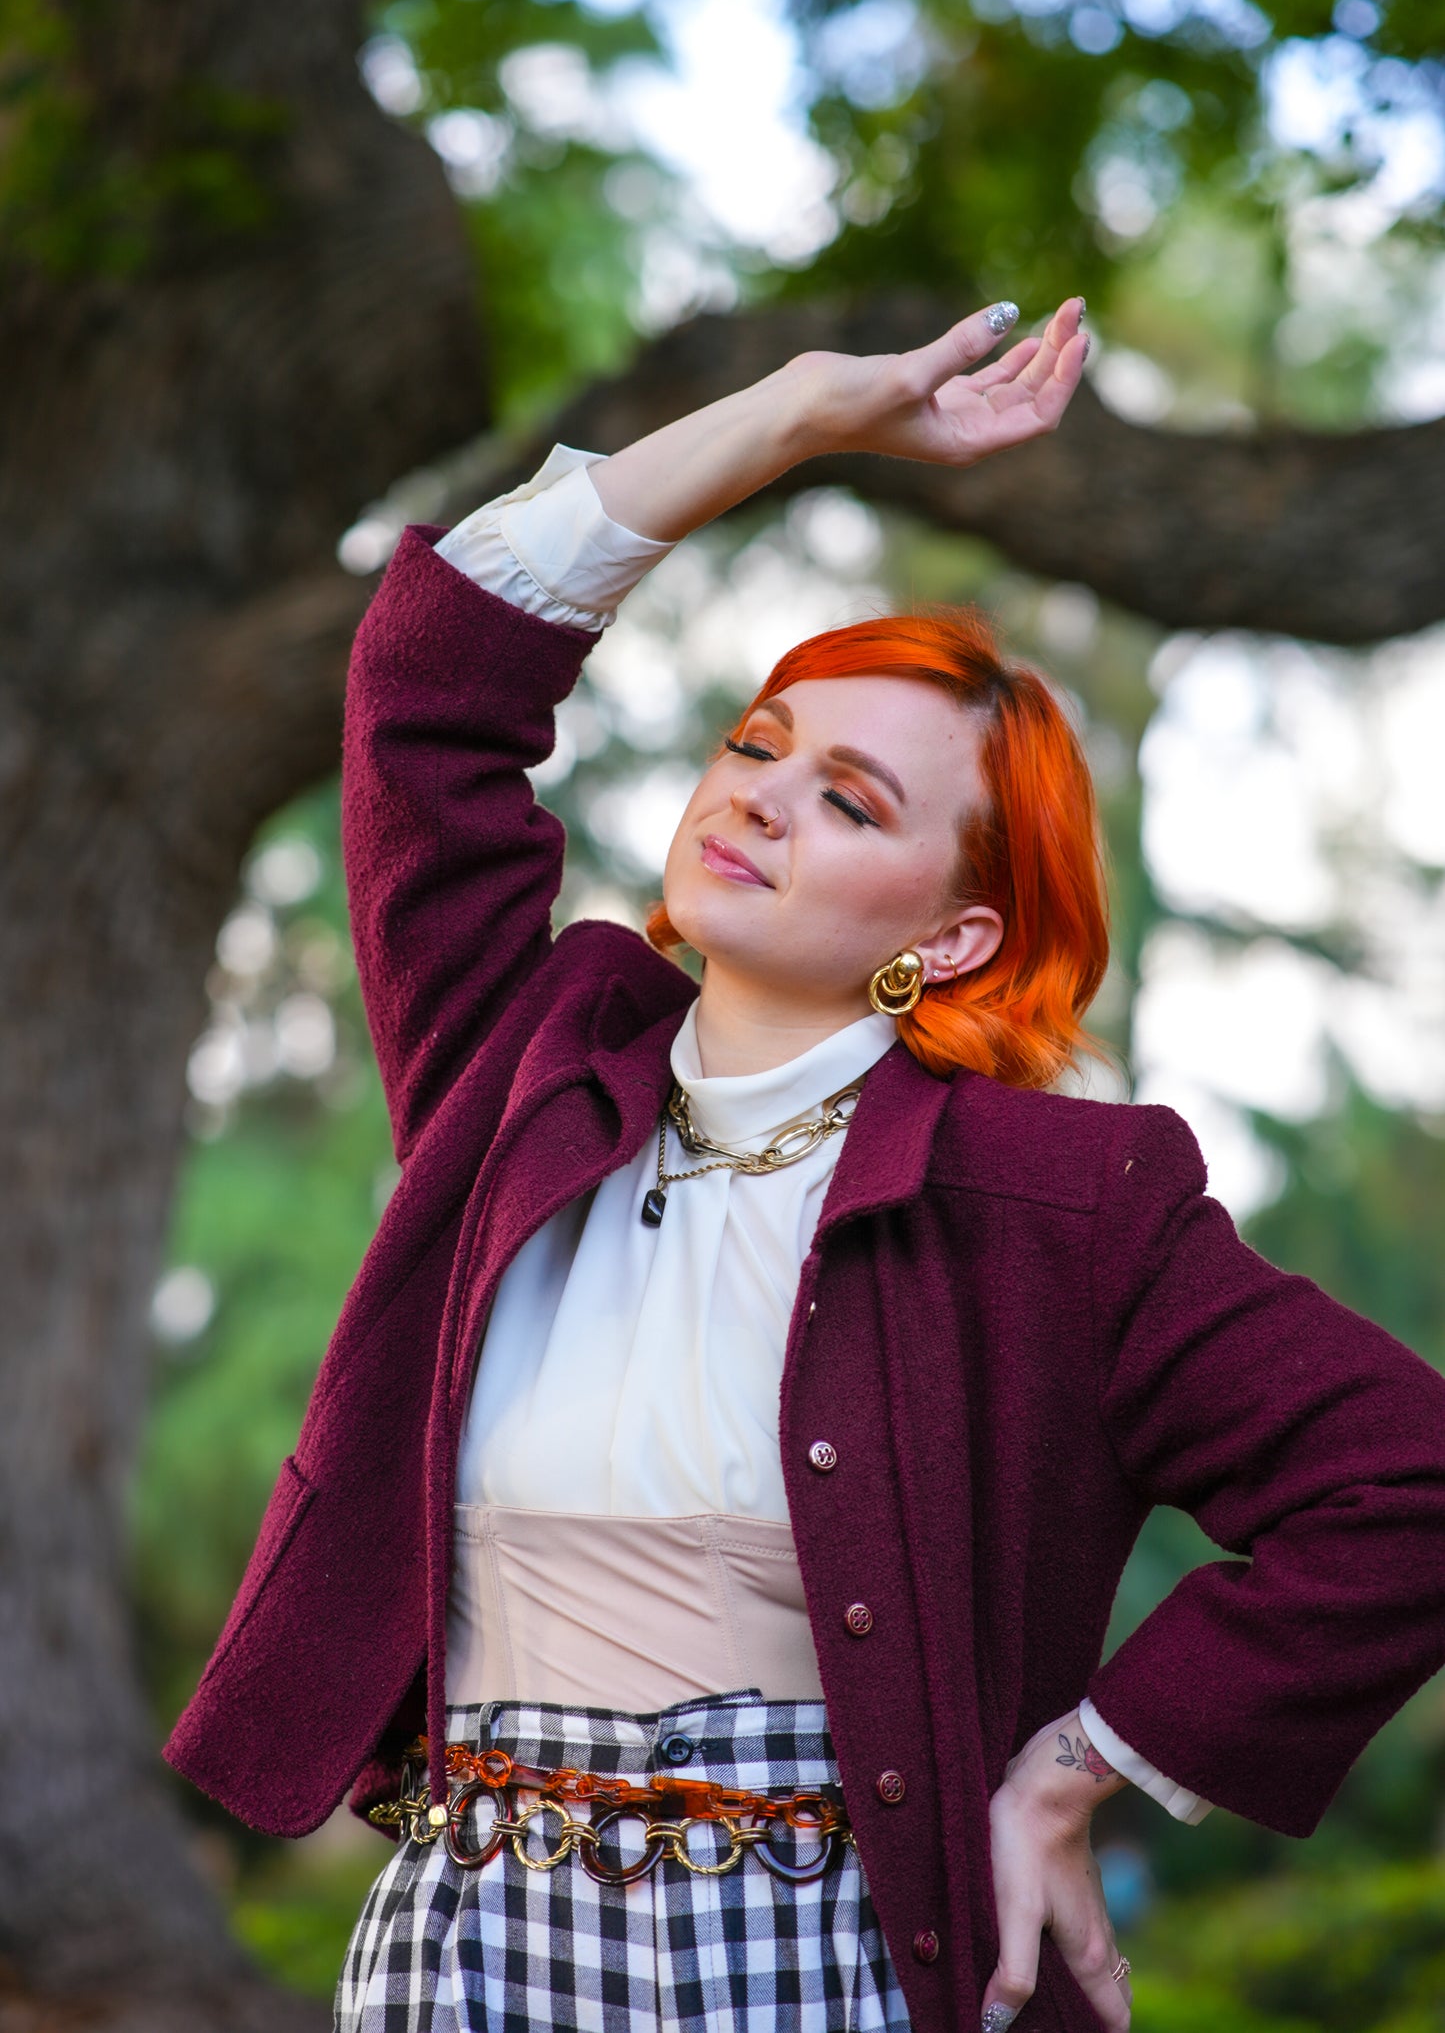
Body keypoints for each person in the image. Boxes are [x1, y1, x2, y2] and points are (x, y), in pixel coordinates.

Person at [166, 298, 1445, 2033]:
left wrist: (1080, 1769)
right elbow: (428, 674)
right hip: (462, 1947)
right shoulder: (521, 1068)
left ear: (955, 932)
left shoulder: (1059, 1202)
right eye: (755, 745)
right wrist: (785, 419)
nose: (759, 798)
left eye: (851, 802)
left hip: (820, 1965)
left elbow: (1404, 1487)